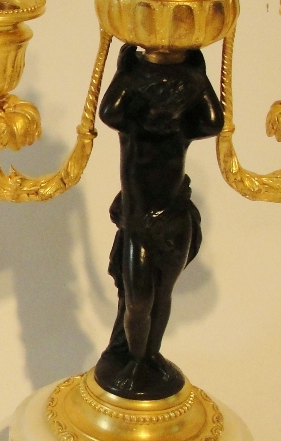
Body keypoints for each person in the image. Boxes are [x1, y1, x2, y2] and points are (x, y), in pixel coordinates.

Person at [95, 43, 224, 400]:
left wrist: (199, 75)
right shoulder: (132, 134)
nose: (163, 114)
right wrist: (125, 72)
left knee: (163, 295)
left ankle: (148, 358)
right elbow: (109, 112)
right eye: (154, 104)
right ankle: (136, 357)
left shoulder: (181, 135)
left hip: (173, 220)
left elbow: (214, 121)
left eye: (173, 107)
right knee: (138, 300)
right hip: (138, 225)